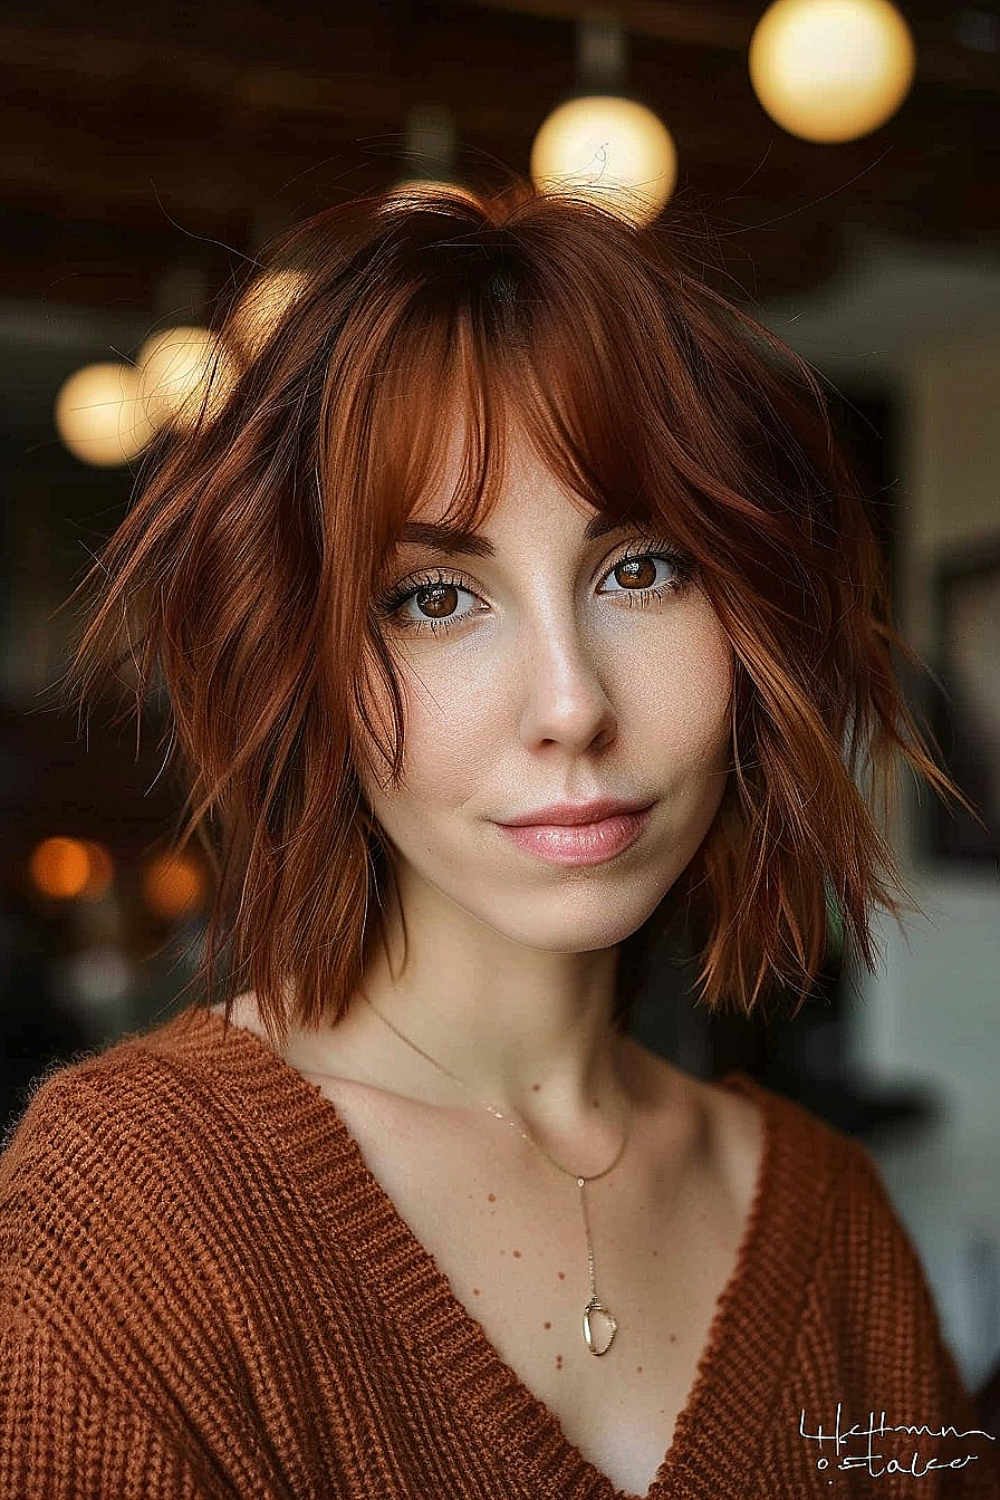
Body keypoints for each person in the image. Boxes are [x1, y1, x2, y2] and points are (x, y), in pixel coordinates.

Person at [2, 172, 997, 1499]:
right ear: (306, 664)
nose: (572, 706)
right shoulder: (134, 1212)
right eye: (433, 597)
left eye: (641, 568)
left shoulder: (834, 1224)